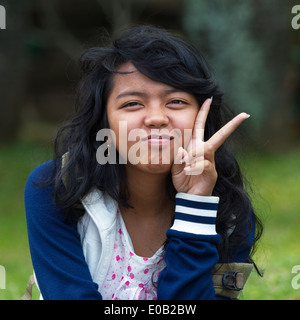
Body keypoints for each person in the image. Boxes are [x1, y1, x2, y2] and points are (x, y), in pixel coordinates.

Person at [24, 25, 263, 300]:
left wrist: (195, 206)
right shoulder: (57, 188)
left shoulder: (231, 213)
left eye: (175, 101)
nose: (156, 118)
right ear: (104, 121)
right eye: (132, 104)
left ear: (201, 116)